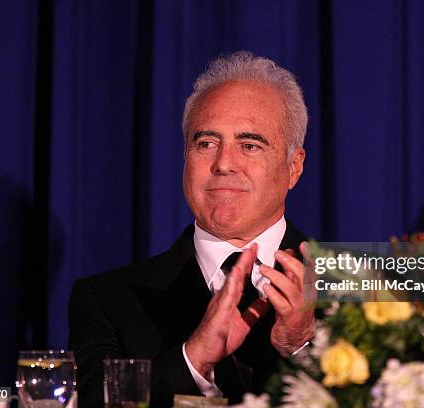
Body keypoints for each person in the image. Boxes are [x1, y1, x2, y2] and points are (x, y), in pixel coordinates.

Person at [68, 51, 315, 407]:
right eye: (206, 144)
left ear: (294, 167)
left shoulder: (374, 283)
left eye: (249, 145)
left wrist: (304, 346)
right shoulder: (107, 299)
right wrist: (193, 361)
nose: (224, 164)